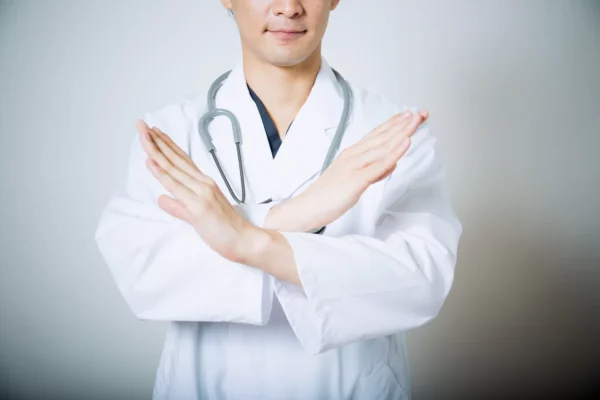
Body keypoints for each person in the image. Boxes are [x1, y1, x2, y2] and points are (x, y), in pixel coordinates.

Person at [94, 0, 463, 399]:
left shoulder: (394, 132)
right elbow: (143, 274)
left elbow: (420, 281)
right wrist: (295, 215)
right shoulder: (170, 133)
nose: (288, 7)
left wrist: (248, 240)